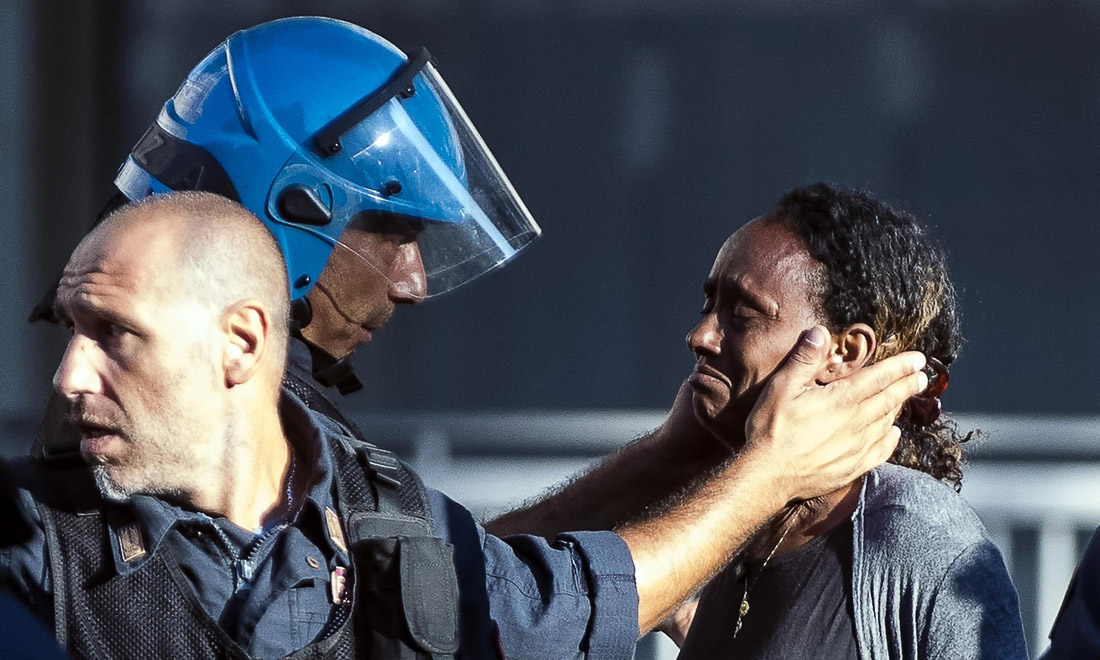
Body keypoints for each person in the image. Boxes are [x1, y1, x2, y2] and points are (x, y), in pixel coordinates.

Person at [20, 17, 929, 658]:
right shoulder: (189, 435)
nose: (413, 284)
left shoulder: (289, 444)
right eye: (399, 237)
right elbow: (508, 623)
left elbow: (438, 586)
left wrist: (672, 455)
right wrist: (769, 470)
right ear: (294, 216)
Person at [645, 183, 1025, 659]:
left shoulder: (919, 535)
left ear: (843, 352)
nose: (700, 336)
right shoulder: (734, 521)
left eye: (742, 313)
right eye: (707, 307)